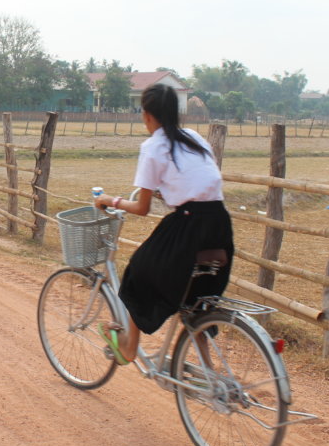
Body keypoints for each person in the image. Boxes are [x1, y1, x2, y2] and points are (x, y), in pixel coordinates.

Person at [92, 84, 233, 365]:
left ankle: (130, 347)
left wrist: (112, 200)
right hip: (219, 224)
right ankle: (211, 373)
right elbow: (198, 180)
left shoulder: (154, 146)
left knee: (138, 273)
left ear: (146, 115)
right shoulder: (193, 137)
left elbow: (142, 208)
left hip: (189, 226)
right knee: (196, 299)